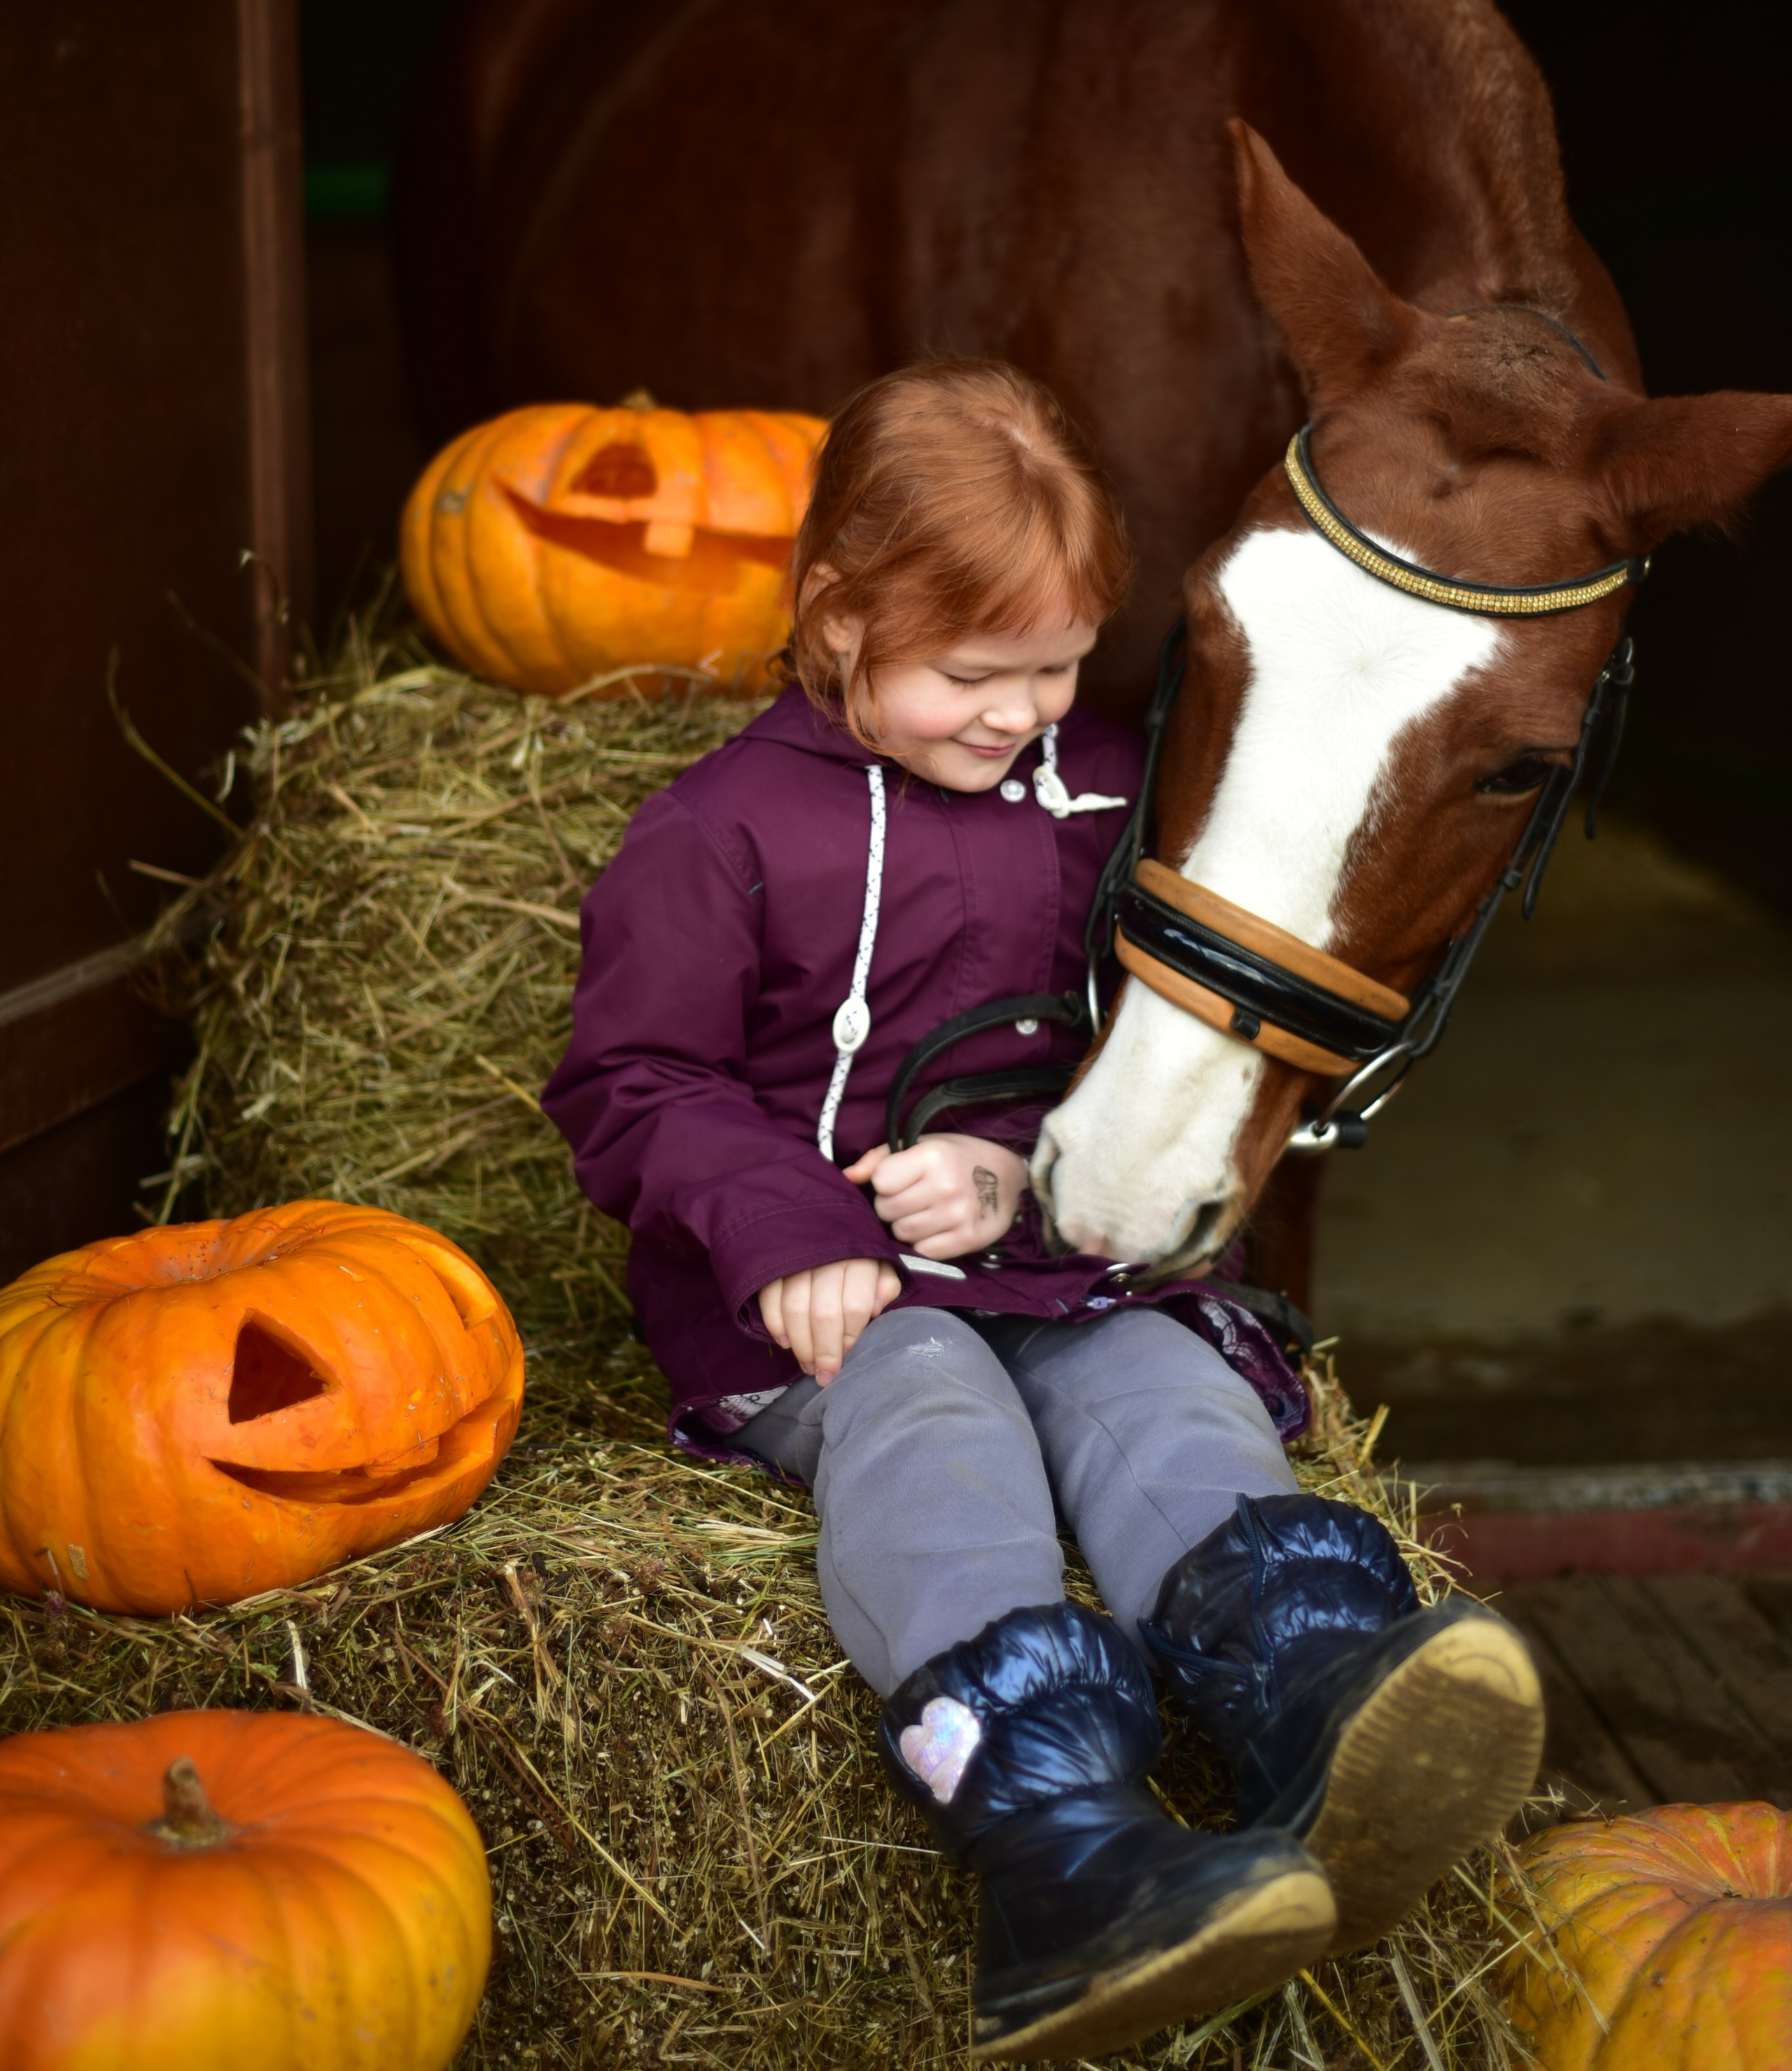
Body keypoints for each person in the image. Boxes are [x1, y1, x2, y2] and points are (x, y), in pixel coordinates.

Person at [543, 360, 1541, 2063]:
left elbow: (1126, 1046)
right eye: (969, 675)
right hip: (822, 1301)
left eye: (1061, 664)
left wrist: (1023, 1168)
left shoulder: (1099, 801)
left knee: (1162, 1391)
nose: (1020, 711)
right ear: (838, 616)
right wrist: (792, 1229)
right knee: (931, 1413)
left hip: (1049, 1260)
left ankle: (1310, 1679)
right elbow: (632, 1081)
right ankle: (1056, 1839)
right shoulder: (716, 833)